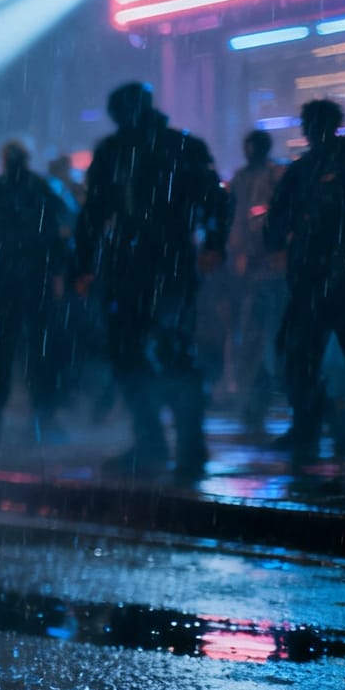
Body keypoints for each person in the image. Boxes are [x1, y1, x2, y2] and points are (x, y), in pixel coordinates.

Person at [74, 83, 230, 479]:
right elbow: (214, 199)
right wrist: (212, 243)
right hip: (164, 262)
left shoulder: (119, 151)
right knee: (164, 354)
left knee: (142, 354)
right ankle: (180, 447)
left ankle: (162, 445)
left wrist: (83, 265)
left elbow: (94, 213)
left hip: (140, 264)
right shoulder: (178, 147)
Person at [263, 100, 345, 468]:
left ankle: (318, 426)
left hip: (344, 278)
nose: (309, 130)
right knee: (297, 352)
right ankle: (308, 426)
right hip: (312, 278)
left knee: (307, 352)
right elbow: (279, 214)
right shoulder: (304, 171)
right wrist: (276, 244)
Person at [0, 140, 70, 441]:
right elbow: (60, 231)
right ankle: (40, 419)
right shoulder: (42, 189)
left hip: (2, 285)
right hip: (30, 283)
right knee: (37, 354)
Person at [224, 129, 286, 437]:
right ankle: (252, 409)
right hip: (249, 274)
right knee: (252, 343)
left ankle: (257, 408)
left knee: (266, 342)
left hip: (268, 273)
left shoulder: (275, 176)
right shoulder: (242, 179)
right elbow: (236, 219)